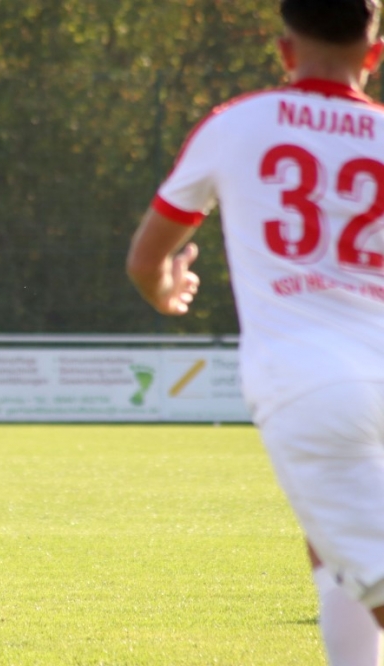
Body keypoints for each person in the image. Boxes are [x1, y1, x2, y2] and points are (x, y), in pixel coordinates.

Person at [126, 2, 384, 664]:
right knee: (331, 548)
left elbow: (146, 260)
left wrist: (166, 290)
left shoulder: (237, 125)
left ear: (285, 51)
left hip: (311, 388)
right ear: (374, 56)